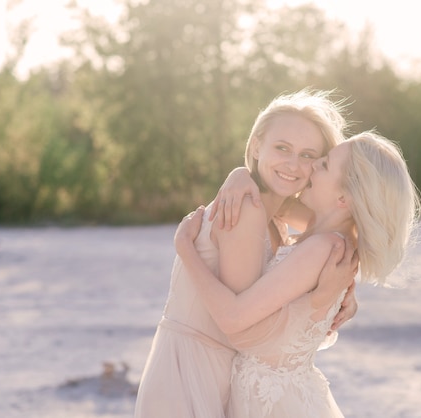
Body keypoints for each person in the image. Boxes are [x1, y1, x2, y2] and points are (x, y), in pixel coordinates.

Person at [134, 89, 359, 417]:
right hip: (195, 369)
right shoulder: (248, 207)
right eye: (282, 148)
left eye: (309, 155)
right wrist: (186, 251)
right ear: (256, 146)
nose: (293, 164)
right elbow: (238, 326)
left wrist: (346, 291)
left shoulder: (276, 207)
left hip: (225, 370)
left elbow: (340, 224)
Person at [175, 130, 421, 417]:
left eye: (325, 164)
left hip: (274, 402)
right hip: (281, 395)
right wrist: (240, 174)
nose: (314, 164)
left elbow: (233, 320)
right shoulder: (334, 238)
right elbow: (272, 201)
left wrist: (186, 249)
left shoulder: (321, 248)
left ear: (343, 197)